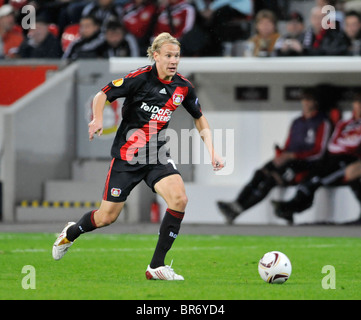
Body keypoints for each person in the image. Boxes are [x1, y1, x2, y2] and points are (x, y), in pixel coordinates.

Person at [52, 32, 224, 280]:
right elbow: (103, 94)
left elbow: (198, 116)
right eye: (168, 55)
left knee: (179, 199)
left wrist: (213, 151)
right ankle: (72, 232)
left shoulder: (183, 87)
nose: (173, 60)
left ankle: (156, 266)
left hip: (156, 155)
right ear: (155, 56)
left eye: (176, 56)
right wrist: (97, 118)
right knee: (105, 217)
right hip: (127, 158)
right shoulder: (140, 79)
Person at [217, 88, 331, 225]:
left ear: (315, 103)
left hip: (305, 163)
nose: (305, 103)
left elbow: (319, 151)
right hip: (288, 159)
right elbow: (288, 144)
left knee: (270, 180)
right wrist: (281, 155)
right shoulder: (297, 122)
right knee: (260, 173)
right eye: (304, 100)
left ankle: (238, 210)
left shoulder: (322, 122)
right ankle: (236, 203)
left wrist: (292, 155)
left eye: (309, 100)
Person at [272, 92, 361, 224]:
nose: (358, 106)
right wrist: (345, 145)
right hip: (334, 158)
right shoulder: (344, 123)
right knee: (311, 176)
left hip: (350, 160)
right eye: (357, 102)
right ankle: (292, 206)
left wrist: (346, 147)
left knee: (316, 179)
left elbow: (354, 144)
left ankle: (292, 207)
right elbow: (333, 144)